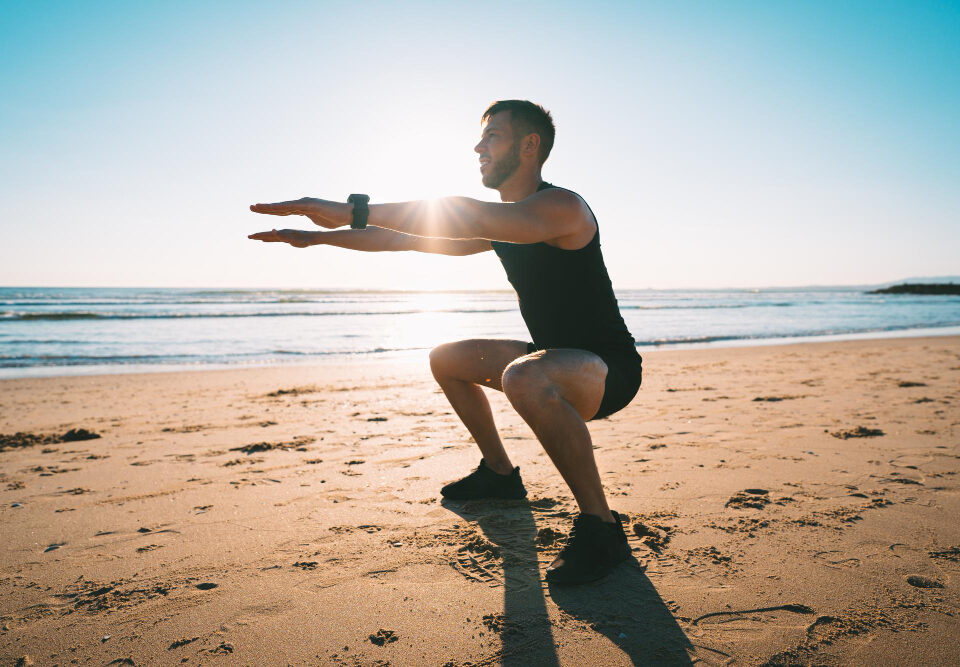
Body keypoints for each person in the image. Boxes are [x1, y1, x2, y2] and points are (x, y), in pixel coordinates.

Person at [248, 100, 643, 584]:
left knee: (522, 374)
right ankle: (500, 475)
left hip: (608, 372)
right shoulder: (505, 224)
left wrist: (353, 209)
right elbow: (403, 239)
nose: (479, 146)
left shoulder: (562, 207)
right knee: (447, 359)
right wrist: (318, 239)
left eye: (492, 135)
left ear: (529, 145)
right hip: (552, 361)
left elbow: (469, 218)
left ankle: (602, 528)